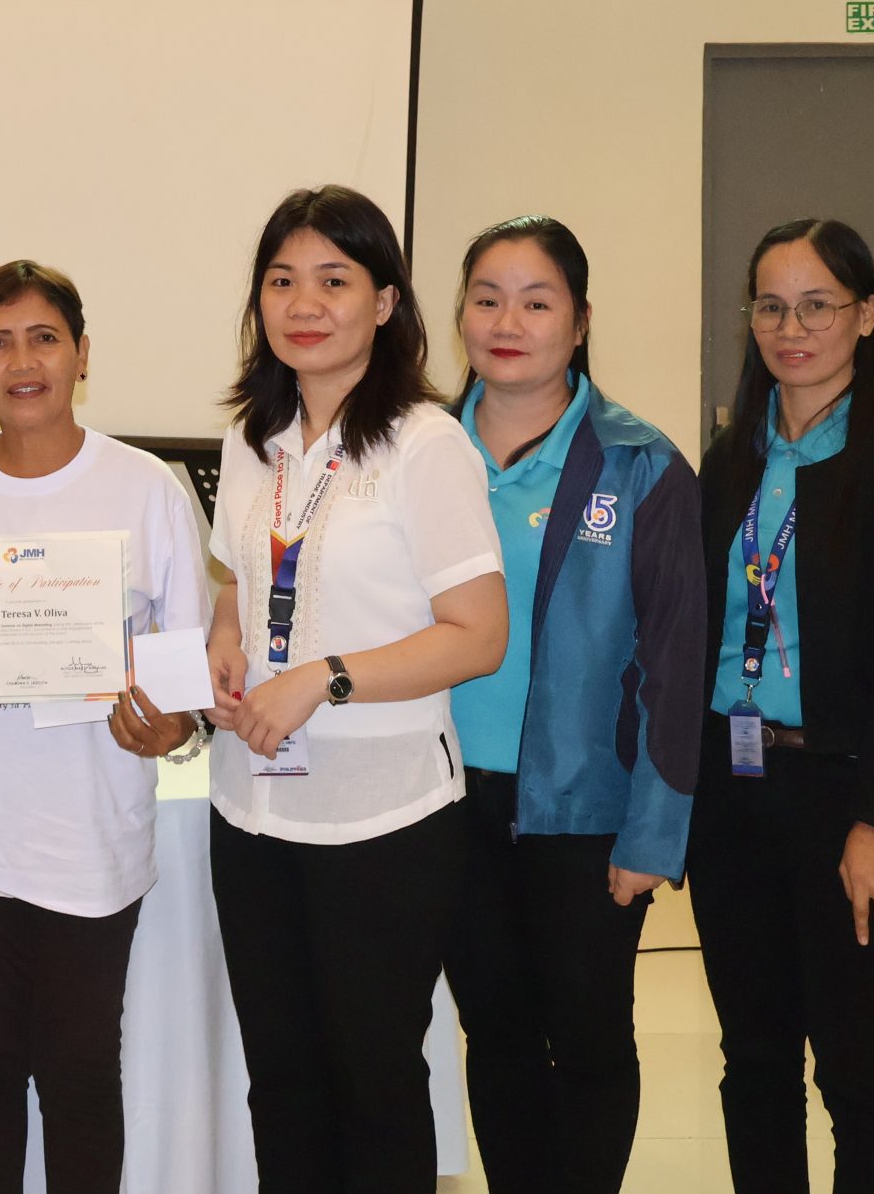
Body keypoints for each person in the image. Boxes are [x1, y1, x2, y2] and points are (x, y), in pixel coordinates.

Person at [203, 185, 512, 1193]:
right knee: (281, 1079)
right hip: (252, 807)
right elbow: (238, 581)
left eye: (333, 280)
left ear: (383, 302)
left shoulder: (424, 443)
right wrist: (224, 644)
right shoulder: (252, 437)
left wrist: (324, 679)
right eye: (281, 280)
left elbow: (479, 635)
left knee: (372, 1078)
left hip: (383, 816)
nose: (304, 303)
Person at [0, 261, 212, 1194]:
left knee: (79, 1071)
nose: (22, 361)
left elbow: (184, 667)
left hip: (90, 831)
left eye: (44, 338)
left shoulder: (146, 487)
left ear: (82, 353)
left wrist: (167, 725)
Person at [691, 218, 874, 1194]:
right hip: (731, 787)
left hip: (844, 797)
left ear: (866, 315)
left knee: (855, 1062)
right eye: (770, 306)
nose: (791, 328)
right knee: (752, 1057)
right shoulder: (728, 460)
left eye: (817, 305)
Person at [441, 216, 705, 1194]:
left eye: (536, 301)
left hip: (586, 811)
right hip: (442, 802)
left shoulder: (640, 465)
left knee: (588, 1034)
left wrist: (654, 833)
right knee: (495, 1028)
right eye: (487, 299)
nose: (508, 322)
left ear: (581, 320)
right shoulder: (416, 453)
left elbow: (678, 663)